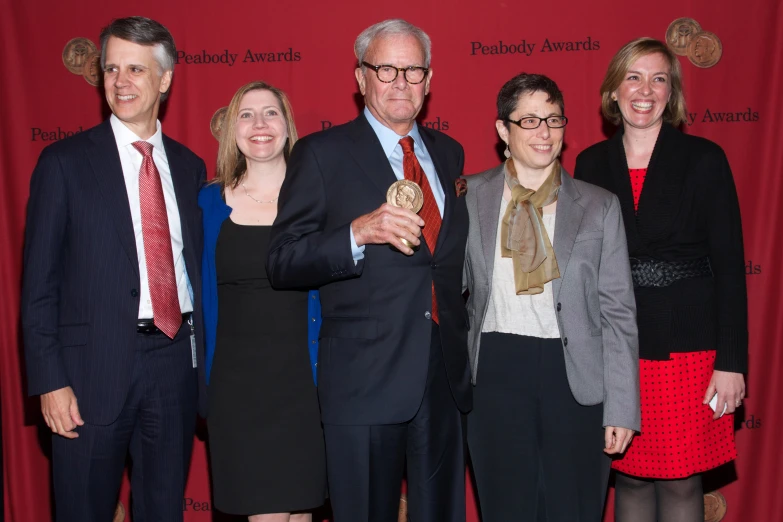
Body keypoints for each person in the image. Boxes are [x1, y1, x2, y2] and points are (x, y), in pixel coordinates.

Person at [267, 18, 472, 522]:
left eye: (413, 70)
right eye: (386, 69)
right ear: (361, 78)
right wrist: (356, 233)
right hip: (363, 378)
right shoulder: (321, 154)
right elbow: (282, 261)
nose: (401, 81)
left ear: (430, 79)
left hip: (443, 373)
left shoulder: (449, 154)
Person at [21, 16, 206, 522]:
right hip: (87, 373)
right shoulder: (63, 163)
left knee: (163, 509)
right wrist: (49, 380)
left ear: (165, 80)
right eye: (111, 69)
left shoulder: (191, 168)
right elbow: (38, 284)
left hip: (174, 365)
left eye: (136, 70)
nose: (121, 82)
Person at [574, 37, 748, 522]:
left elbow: (731, 268)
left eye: (658, 79)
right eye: (633, 77)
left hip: (689, 350)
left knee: (679, 482)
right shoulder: (590, 164)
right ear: (613, 92)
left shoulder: (704, 158)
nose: (644, 90)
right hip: (620, 346)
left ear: (670, 95)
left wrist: (731, 362)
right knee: (628, 477)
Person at [463, 73, 640, 522]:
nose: (544, 132)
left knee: (574, 509)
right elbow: (451, 290)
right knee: (506, 509)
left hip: (575, 376)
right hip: (496, 371)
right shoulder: (469, 196)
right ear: (503, 130)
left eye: (554, 119)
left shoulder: (599, 206)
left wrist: (622, 406)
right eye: (529, 121)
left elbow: (617, 313)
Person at [198, 81, 325, 521]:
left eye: (270, 113)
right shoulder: (206, 204)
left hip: (305, 383)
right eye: (247, 115)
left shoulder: (318, 202)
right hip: (237, 389)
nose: (259, 124)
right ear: (232, 130)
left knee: (301, 512)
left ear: (288, 127)